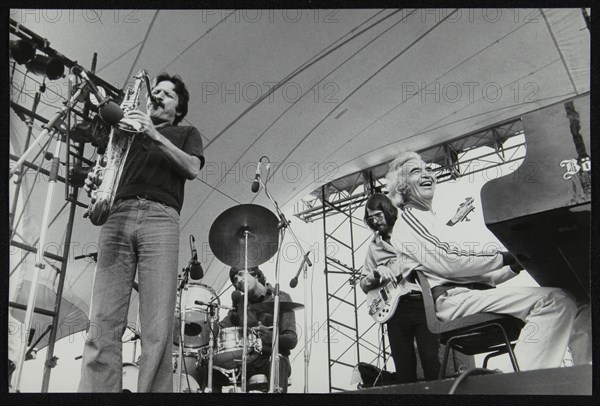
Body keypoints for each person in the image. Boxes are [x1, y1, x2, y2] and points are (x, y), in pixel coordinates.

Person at [385, 151, 590, 371]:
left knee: (581, 305)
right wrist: (504, 256)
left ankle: (586, 376)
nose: (427, 174)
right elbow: (449, 261)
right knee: (555, 301)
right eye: (416, 171)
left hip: (472, 294)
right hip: (453, 300)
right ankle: (521, 385)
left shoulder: (432, 221)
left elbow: (479, 274)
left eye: (428, 169)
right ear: (402, 188)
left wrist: (515, 263)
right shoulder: (409, 219)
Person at [78, 73, 205, 392]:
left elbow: (192, 168)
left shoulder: (186, 131)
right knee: (102, 319)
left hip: (160, 219)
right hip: (118, 214)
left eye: (167, 94)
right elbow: (109, 169)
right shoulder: (125, 131)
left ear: (178, 108)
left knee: (157, 324)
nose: (158, 95)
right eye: (156, 91)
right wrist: (98, 187)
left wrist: (154, 134)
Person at [360, 193, 441, 383]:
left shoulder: (409, 232)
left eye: (378, 215)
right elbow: (364, 284)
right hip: (394, 311)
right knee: (404, 368)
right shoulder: (373, 247)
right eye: (370, 218)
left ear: (388, 211)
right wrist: (376, 272)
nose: (375, 221)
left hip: (421, 303)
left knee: (431, 361)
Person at [210, 266, 298, 393]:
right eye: (234, 280)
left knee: (277, 362)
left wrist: (270, 336)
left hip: (272, 359)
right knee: (210, 371)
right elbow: (221, 328)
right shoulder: (240, 304)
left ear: (255, 274)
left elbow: (291, 340)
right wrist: (207, 320)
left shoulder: (281, 298)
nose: (238, 280)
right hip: (245, 362)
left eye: (241, 274)